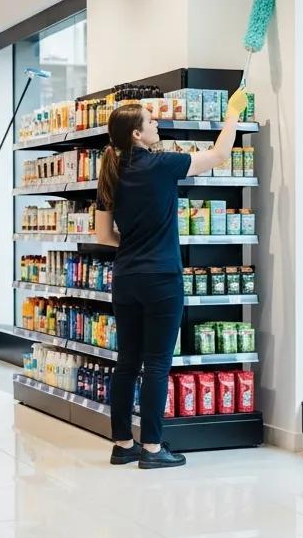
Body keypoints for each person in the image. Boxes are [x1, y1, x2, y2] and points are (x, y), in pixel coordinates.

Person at [95, 88, 250, 468]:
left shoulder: (113, 172)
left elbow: (103, 236)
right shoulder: (160, 164)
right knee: (158, 363)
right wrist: (232, 114)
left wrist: (132, 246)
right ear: (136, 133)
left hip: (126, 276)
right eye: (151, 121)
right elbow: (218, 156)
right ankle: (152, 448)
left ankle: (122, 444)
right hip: (162, 276)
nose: (157, 124)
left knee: (127, 362)